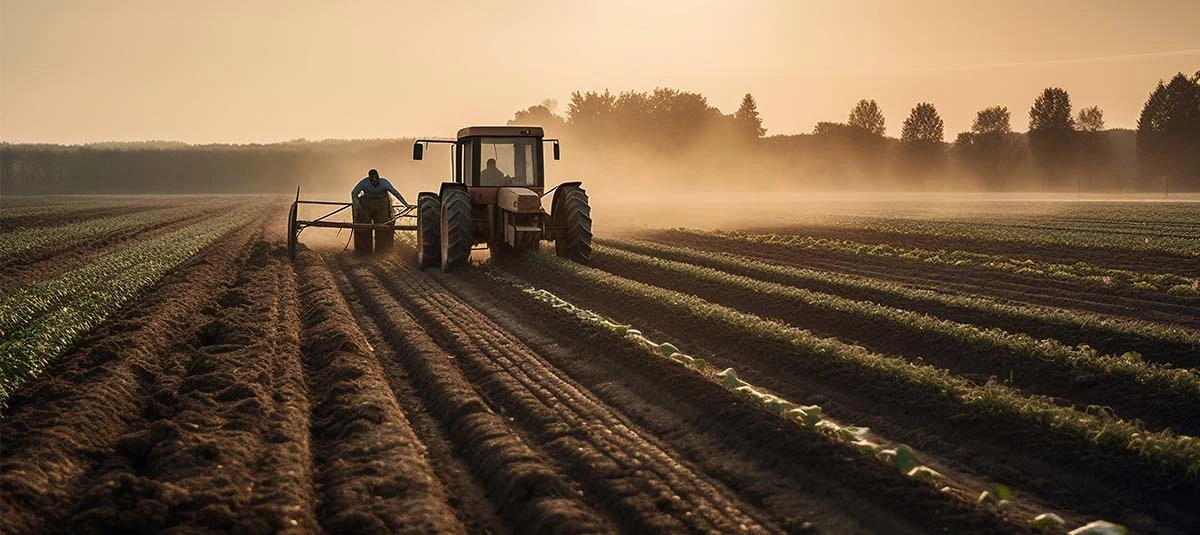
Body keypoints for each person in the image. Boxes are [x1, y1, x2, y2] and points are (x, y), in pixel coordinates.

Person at [350, 169, 407, 255]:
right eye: (372, 178)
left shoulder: (384, 183)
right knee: (364, 227)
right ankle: (363, 251)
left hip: (382, 205)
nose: (374, 180)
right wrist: (358, 206)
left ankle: (383, 250)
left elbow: (395, 192)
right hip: (367, 205)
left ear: (378, 177)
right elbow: (354, 193)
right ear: (369, 178)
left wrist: (405, 204)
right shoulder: (364, 183)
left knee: (383, 226)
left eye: (376, 177)